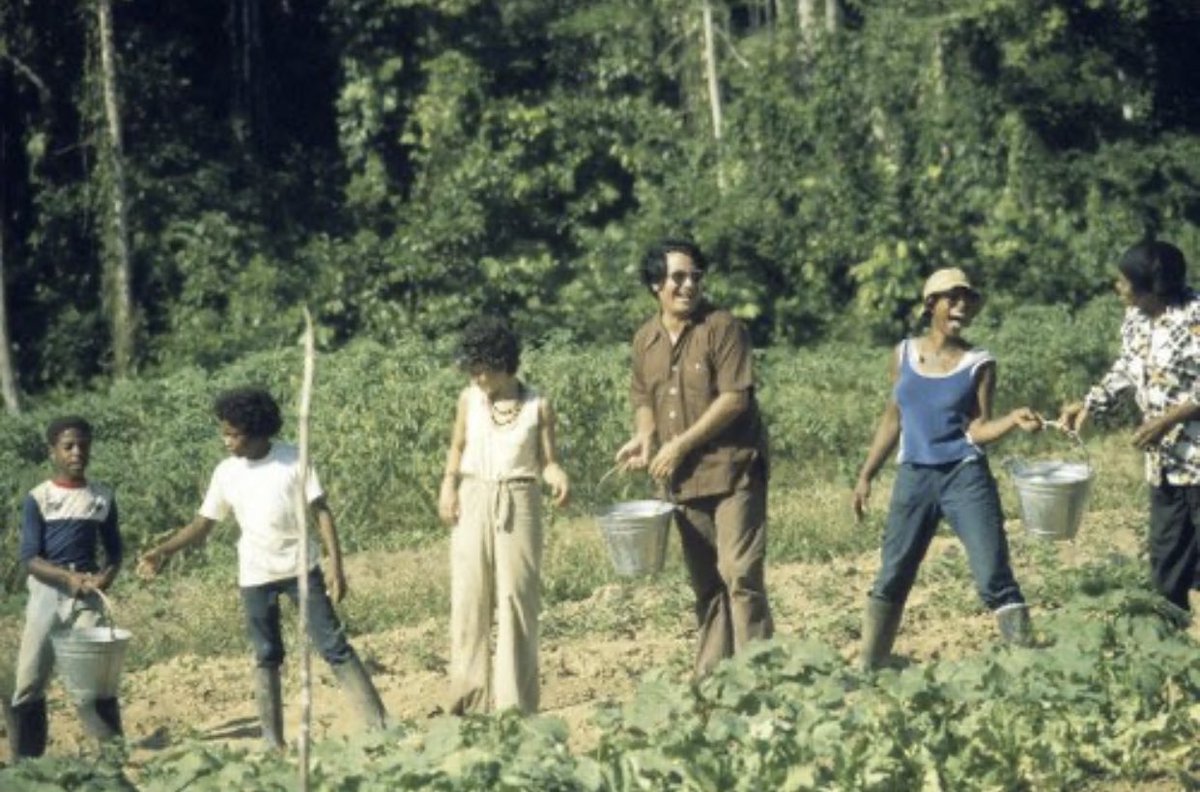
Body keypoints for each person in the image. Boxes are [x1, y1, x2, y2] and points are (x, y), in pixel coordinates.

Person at [137, 387, 385, 749]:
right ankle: (273, 743)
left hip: (302, 569)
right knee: (266, 655)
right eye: (224, 432)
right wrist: (163, 551)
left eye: (233, 434)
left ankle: (380, 726)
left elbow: (322, 513)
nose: (226, 440)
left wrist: (336, 566)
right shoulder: (226, 473)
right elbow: (203, 524)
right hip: (255, 576)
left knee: (333, 645)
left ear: (257, 432)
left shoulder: (293, 459)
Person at [852, 268, 1042, 670]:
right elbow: (893, 418)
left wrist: (1010, 421)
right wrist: (866, 474)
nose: (961, 308)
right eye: (952, 299)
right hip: (914, 478)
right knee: (893, 572)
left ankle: (1028, 665)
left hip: (965, 476)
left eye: (967, 301)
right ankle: (870, 666)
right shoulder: (903, 354)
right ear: (931, 305)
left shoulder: (980, 363)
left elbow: (978, 428)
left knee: (993, 573)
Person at [615, 239, 773, 679]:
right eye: (678, 277)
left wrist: (679, 443)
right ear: (655, 285)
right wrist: (645, 437)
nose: (688, 285)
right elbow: (643, 396)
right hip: (683, 479)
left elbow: (735, 399)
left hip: (733, 469)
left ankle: (762, 677)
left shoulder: (722, 328)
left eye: (695, 277)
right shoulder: (645, 340)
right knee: (707, 584)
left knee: (740, 574)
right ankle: (712, 679)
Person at [438, 316, 570, 714]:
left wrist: (557, 475)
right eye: (471, 368)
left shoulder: (537, 406)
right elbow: (457, 448)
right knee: (469, 600)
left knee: (516, 600)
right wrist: (448, 485)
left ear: (505, 363)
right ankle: (468, 703)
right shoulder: (468, 401)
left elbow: (548, 461)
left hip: (520, 498)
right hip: (474, 495)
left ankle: (515, 707)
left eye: (484, 368)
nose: (477, 377)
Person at [1060, 240, 1200, 615]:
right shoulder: (1136, 320)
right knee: (1167, 556)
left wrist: (1168, 420)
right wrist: (1088, 404)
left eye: (1124, 282)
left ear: (1149, 287)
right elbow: (1127, 369)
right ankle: (1172, 644)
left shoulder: (1195, 318)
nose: (1118, 288)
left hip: (1196, 458)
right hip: (1165, 463)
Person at [9, 416, 124, 759]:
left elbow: (115, 551)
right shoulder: (40, 497)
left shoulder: (102, 497)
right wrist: (65, 578)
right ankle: (27, 764)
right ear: (53, 452)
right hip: (47, 591)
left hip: (88, 594)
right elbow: (29, 557)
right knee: (29, 679)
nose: (77, 452)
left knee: (94, 677)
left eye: (83, 445)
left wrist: (104, 577)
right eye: (68, 446)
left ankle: (111, 759)